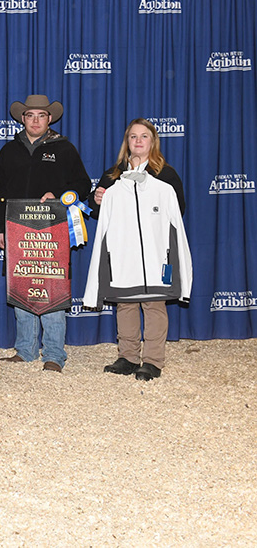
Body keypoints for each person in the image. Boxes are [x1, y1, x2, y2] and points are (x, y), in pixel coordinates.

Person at [83, 119, 191, 381]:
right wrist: (96, 199)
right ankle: (128, 356)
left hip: (155, 253)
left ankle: (153, 360)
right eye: (133, 136)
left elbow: (178, 211)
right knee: (126, 305)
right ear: (127, 141)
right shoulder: (113, 175)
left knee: (154, 305)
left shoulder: (166, 175)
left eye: (144, 136)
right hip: (124, 252)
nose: (139, 141)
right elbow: (96, 210)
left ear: (153, 141)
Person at [0, 94, 90, 372]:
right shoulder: (9, 151)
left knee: (53, 286)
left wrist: (61, 195)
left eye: (41, 116)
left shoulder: (64, 148)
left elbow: (82, 184)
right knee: (22, 283)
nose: (35, 121)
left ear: (50, 119)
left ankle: (55, 354)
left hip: (53, 229)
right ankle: (25, 349)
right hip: (17, 229)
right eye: (30, 116)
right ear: (22, 119)